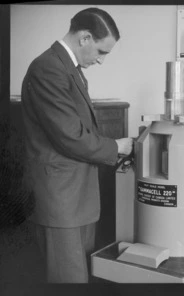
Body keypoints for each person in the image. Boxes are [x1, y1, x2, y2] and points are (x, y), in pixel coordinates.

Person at [21, 7, 133, 283]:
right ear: (84, 38)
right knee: (69, 280)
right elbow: (71, 136)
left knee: (79, 277)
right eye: (101, 51)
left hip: (77, 198)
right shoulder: (47, 68)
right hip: (60, 201)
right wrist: (117, 146)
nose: (102, 61)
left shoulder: (68, 68)